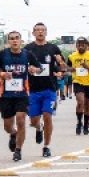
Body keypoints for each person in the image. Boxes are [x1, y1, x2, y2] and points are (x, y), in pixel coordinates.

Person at [0, 30, 41, 162]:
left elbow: (39, 68)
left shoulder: (27, 54)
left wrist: (34, 69)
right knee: (8, 126)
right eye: (11, 38)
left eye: (17, 38)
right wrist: (2, 74)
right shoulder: (2, 55)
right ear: (8, 41)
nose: (14, 40)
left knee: (21, 120)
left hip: (22, 93)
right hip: (6, 95)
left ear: (21, 41)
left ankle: (18, 150)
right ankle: (13, 134)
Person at [24, 22, 66, 158]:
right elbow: (21, 66)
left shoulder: (53, 48)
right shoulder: (28, 49)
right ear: (33, 33)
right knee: (34, 120)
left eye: (42, 30)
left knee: (47, 116)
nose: (40, 32)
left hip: (50, 89)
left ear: (46, 32)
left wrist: (60, 68)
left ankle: (46, 146)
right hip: (33, 90)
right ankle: (39, 128)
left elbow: (63, 67)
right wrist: (29, 68)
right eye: (37, 30)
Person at [67, 37, 89, 136]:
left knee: (88, 105)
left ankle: (86, 124)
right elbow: (68, 68)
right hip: (77, 81)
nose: (80, 46)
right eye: (79, 44)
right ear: (76, 46)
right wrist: (72, 69)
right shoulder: (71, 56)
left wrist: (87, 67)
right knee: (80, 101)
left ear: (87, 46)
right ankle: (79, 122)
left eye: (83, 44)